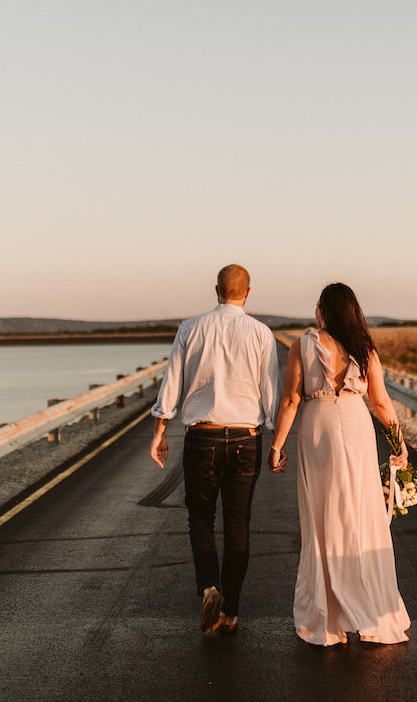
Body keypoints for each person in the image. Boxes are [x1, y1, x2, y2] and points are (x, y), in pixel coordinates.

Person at [269, 282, 412, 646]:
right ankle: (369, 608)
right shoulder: (365, 349)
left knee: (321, 518)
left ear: (324, 310)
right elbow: (381, 403)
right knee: (361, 515)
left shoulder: (302, 345)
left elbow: (290, 400)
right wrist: (400, 444)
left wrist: (277, 445)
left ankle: (328, 617)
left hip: (317, 428)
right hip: (355, 423)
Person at [150, 264, 281, 634]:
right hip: (245, 438)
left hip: (202, 437)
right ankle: (231, 612)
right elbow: (270, 392)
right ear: (248, 292)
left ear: (216, 290)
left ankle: (210, 586)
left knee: (200, 518)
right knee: (238, 525)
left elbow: (171, 386)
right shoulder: (261, 333)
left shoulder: (190, 329)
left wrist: (159, 432)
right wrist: (277, 443)